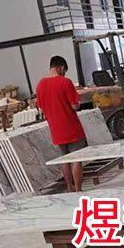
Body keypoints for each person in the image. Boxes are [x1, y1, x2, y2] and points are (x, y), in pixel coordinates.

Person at [35, 56, 87, 192]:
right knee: (76, 158)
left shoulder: (40, 85)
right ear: (62, 68)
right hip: (71, 128)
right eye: (65, 71)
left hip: (56, 130)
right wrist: (77, 103)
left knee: (64, 159)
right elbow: (74, 106)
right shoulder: (65, 82)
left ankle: (69, 187)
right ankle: (78, 189)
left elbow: (41, 108)